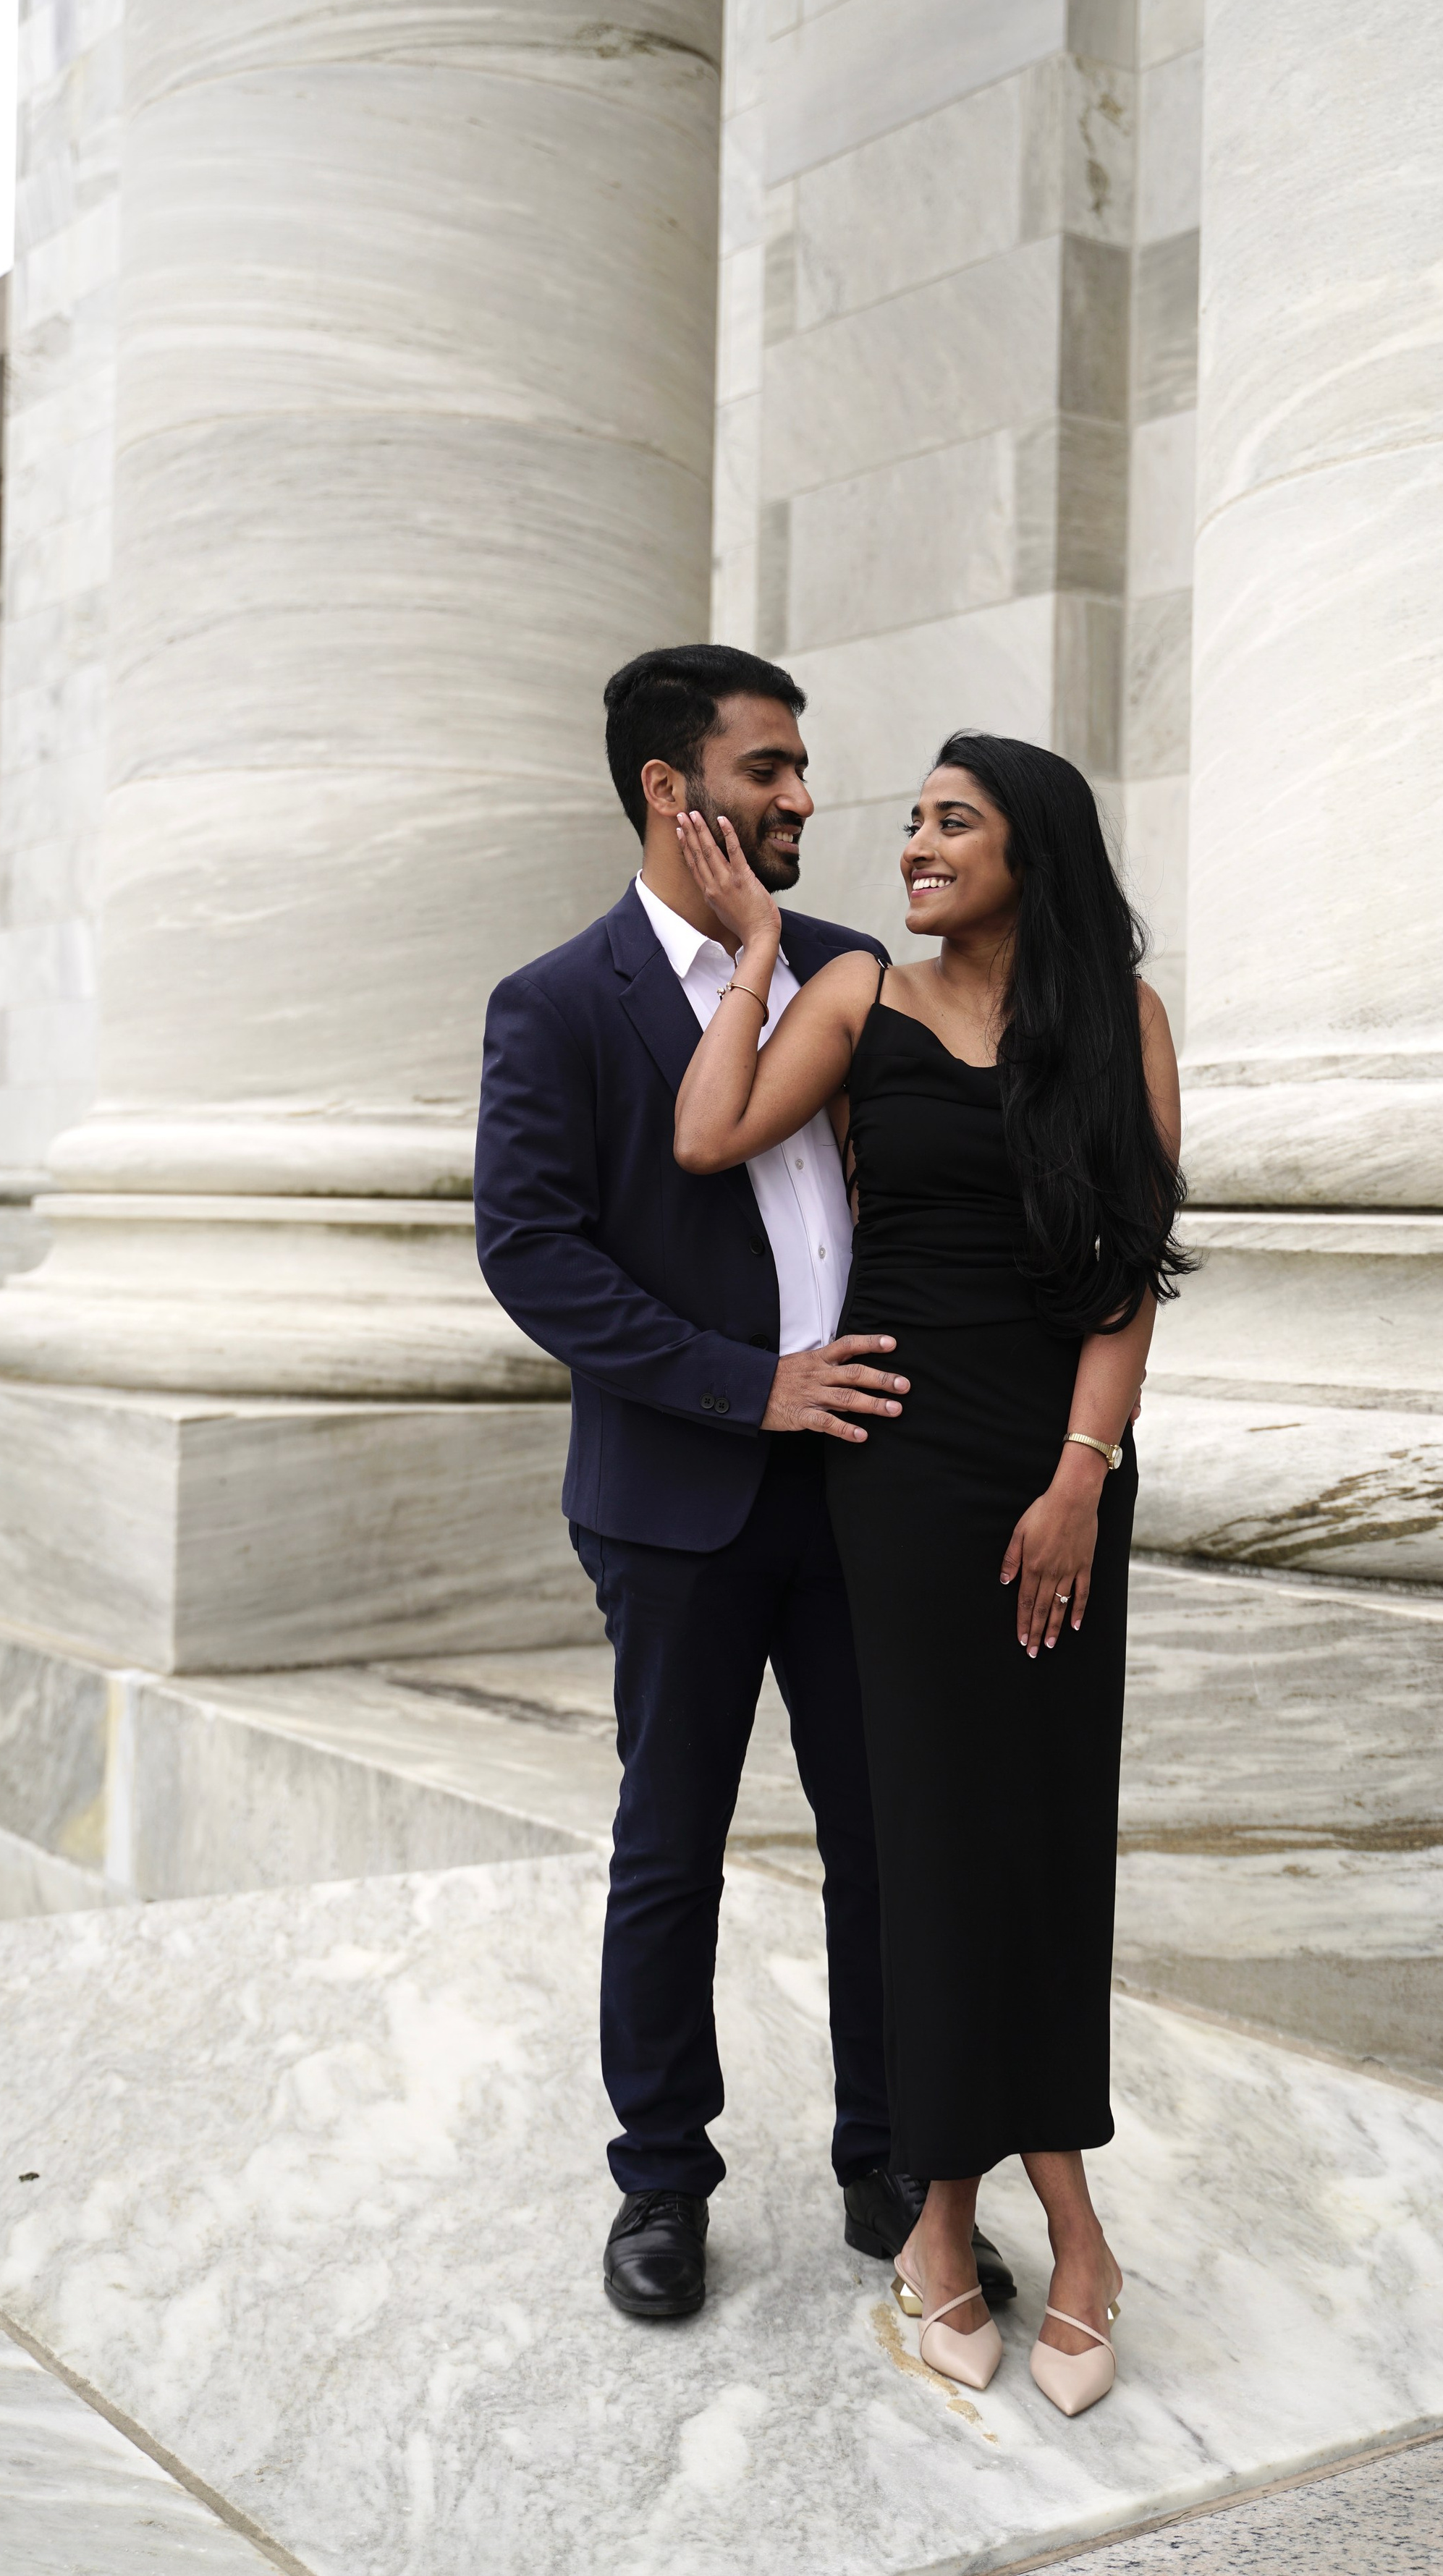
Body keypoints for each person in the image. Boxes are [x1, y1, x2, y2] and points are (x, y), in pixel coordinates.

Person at [474, 646, 1014, 2323]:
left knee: (888, 1839)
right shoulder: (555, 1002)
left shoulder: (854, 971)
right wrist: (745, 1382)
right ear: (670, 788)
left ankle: (889, 2162)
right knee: (670, 1847)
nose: (801, 795)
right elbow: (533, 1254)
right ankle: (660, 2178)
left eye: (797, 765)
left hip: (865, 1487)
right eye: (767, 767)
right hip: (673, 1497)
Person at [672, 731, 1186, 2415]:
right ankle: (989, 2219)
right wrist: (759, 950)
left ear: (1032, 849)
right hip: (897, 1475)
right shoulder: (854, 995)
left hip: (1060, 1470)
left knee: (1043, 1834)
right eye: (909, 822)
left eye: (948, 822)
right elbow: (705, 1133)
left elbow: (1126, 1276)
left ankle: (1008, 2223)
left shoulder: (1120, 1021)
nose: (911, 844)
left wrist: (1078, 1476)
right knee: (931, 1835)